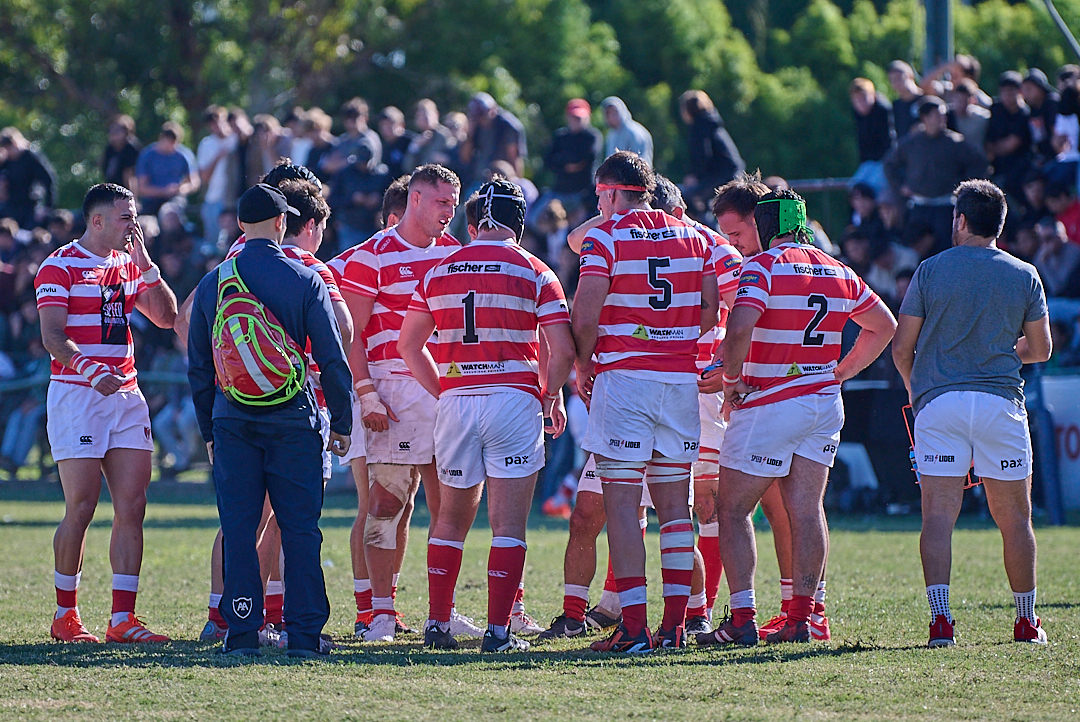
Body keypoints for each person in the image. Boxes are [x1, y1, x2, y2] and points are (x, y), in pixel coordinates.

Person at [699, 188, 896, 646]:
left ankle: (743, 618)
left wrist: (730, 377)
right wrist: (841, 372)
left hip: (770, 403)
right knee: (807, 510)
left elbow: (742, 325)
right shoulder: (837, 268)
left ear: (765, 225)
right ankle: (803, 619)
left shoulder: (761, 268)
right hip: (823, 404)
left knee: (731, 510)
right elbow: (883, 326)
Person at [397, 179, 575, 652]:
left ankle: (437, 624)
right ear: (518, 221)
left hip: (457, 401)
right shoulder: (536, 270)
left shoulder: (440, 270)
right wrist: (550, 393)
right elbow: (561, 349)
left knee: (450, 520)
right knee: (508, 524)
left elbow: (407, 345)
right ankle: (498, 632)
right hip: (513, 400)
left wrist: (446, 390)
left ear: (474, 222)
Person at [187, 183, 353, 657]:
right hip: (294, 419)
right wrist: (340, 423)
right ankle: (304, 636)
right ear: (284, 224)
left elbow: (199, 366)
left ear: (240, 225)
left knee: (239, 529)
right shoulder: (306, 279)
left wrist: (208, 432)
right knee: (301, 530)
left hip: (231, 422)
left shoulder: (213, 281)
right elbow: (332, 357)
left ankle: (240, 633)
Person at [892, 179, 1052, 646]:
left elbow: (903, 348)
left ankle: (941, 623)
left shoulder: (930, 269)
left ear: (960, 220)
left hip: (938, 404)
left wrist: (919, 386)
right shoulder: (1024, 273)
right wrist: (997, 354)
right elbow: (1041, 349)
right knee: (1016, 521)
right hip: (1001, 403)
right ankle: (1026, 622)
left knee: (938, 519)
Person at [572, 151, 719, 652]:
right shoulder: (694, 235)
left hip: (625, 380)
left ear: (611, 191)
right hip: (677, 380)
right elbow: (709, 308)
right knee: (676, 509)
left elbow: (585, 313)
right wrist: (670, 338)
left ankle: (633, 626)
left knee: (620, 502)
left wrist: (583, 363)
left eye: (600, 195)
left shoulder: (607, 236)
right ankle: (674, 626)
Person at [329, 164, 469, 643]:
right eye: (441, 202)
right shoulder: (373, 256)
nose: (449, 212)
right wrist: (365, 392)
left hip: (446, 391)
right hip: (391, 390)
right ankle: (380, 615)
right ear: (414, 199)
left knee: (447, 506)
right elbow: (351, 336)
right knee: (386, 504)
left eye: (454, 203)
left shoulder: (457, 255)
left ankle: (440, 613)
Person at [34, 183, 178, 643]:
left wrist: (148, 268)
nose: (133, 224)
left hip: (125, 395)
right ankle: (65, 615)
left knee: (133, 505)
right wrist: (91, 370)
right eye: (124, 217)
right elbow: (52, 336)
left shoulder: (127, 263)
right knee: (81, 507)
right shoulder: (59, 265)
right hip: (78, 394)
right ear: (96, 221)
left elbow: (166, 317)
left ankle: (122, 619)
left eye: (133, 216)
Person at [884, 97, 989, 256]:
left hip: (946, 205)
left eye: (943, 115)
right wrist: (900, 186)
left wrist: (966, 188)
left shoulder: (954, 142)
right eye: (937, 115)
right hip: (920, 206)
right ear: (925, 118)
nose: (943, 119)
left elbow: (979, 162)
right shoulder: (912, 142)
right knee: (916, 251)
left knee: (946, 249)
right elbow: (889, 164)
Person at [679, 90, 745, 217]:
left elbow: (702, 157)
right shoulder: (712, 124)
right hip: (732, 173)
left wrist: (695, 176)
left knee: (687, 198)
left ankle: (708, 231)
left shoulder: (699, 127)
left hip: (722, 176)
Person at [541, 99, 603, 219]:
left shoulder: (592, 137)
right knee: (535, 219)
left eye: (579, 117)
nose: (576, 121)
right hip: (559, 191)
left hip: (583, 193)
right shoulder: (560, 136)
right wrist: (566, 164)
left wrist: (561, 160)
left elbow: (583, 159)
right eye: (573, 117)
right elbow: (548, 161)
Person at [136, 122, 200, 217]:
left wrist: (180, 189)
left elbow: (194, 182)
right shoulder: (147, 155)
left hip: (175, 199)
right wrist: (164, 191)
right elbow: (142, 187)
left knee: (171, 212)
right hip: (152, 200)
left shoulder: (184, 154)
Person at [196, 106, 238, 248]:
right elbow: (204, 177)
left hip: (233, 198)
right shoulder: (206, 144)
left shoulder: (236, 139)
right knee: (214, 243)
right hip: (213, 198)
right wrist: (218, 156)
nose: (217, 126)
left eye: (218, 120)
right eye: (212, 123)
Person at [987, 71, 1033, 199]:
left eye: (1011, 91)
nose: (1007, 95)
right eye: (1004, 91)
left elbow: (1011, 145)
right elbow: (988, 143)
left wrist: (995, 148)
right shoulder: (996, 109)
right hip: (997, 167)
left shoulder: (1024, 114)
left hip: (1019, 168)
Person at [0, 127, 57, 229]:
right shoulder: (7, 162)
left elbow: (48, 180)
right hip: (11, 206)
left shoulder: (30, 157)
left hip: (30, 206)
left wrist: (47, 207)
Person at [462, 92, 527, 182]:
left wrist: (516, 183)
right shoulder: (474, 124)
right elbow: (465, 158)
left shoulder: (508, 127)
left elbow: (514, 158)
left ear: (493, 110)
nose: (481, 120)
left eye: (482, 116)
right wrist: (470, 135)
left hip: (502, 180)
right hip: (477, 179)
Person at [849, 78, 895, 197]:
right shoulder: (858, 114)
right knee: (853, 189)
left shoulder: (883, 110)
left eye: (864, 98)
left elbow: (889, 142)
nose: (861, 103)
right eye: (857, 100)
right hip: (868, 162)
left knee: (874, 187)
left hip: (884, 161)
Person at [1021, 69, 1060, 166]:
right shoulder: (1032, 110)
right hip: (1041, 158)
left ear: (1040, 88)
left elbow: (1056, 132)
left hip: (1057, 156)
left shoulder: (1052, 103)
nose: (1026, 93)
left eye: (1029, 89)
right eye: (1024, 90)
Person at [405, 99, 456, 171]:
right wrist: (415, 147)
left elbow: (454, 159)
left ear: (436, 114)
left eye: (427, 114)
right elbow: (407, 167)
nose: (424, 118)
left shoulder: (444, 135)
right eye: (420, 116)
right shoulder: (417, 139)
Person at [600, 97, 653, 165]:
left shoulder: (633, 132)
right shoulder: (611, 134)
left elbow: (639, 161)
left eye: (615, 111)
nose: (612, 116)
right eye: (608, 113)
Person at [950, 79, 992, 151]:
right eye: (957, 99)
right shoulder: (948, 116)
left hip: (977, 157)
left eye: (963, 101)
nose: (959, 104)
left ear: (972, 101)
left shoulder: (983, 118)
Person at [101, 115, 141, 191]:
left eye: (117, 130)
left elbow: (130, 176)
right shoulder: (110, 149)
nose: (113, 133)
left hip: (127, 190)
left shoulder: (131, 149)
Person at [887, 60, 925, 139]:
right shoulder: (896, 106)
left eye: (899, 78)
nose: (896, 83)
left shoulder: (925, 99)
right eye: (892, 80)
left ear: (909, 76)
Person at [376, 106, 417, 179]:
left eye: (389, 125)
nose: (386, 129)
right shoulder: (384, 146)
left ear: (401, 125)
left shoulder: (412, 141)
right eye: (383, 125)